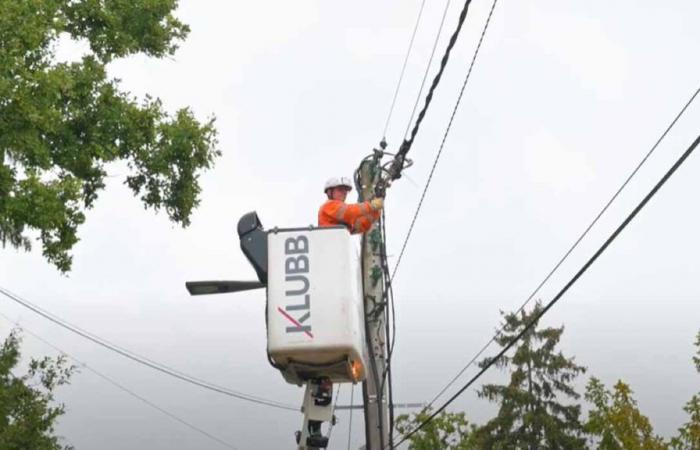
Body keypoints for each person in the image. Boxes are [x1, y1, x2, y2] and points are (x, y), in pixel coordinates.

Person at [318, 177, 383, 233]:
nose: (344, 193)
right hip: (330, 243)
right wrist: (371, 206)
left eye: (345, 190)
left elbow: (359, 226)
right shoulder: (328, 206)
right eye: (340, 189)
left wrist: (375, 212)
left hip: (339, 244)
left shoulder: (342, 218)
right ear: (330, 192)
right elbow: (349, 211)